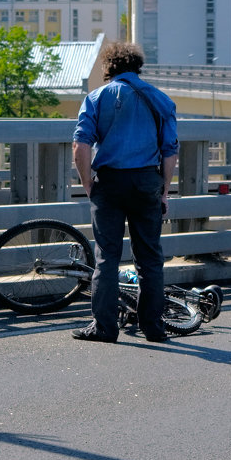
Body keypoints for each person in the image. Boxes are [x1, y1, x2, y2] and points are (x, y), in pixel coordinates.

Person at [71, 41, 178, 343]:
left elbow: (80, 145)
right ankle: (154, 328)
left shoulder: (97, 97)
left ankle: (104, 327)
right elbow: (170, 150)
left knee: (107, 257)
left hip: (110, 183)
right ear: (137, 67)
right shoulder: (161, 100)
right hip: (147, 182)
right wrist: (165, 191)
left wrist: (87, 183)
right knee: (149, 259)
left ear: (109, 68)